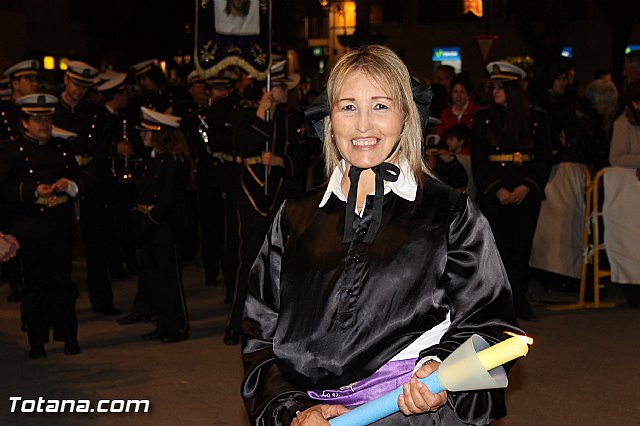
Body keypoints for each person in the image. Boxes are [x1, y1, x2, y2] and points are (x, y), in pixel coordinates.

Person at [241, 45, 523, 425]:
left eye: (380, 106)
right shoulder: (295, 216)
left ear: (406, 115)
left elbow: (489, 322)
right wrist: (293, 408)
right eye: (348, 107)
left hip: (411, 415)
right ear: (329, 118)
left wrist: (440, 369)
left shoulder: (450, 212)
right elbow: (259, 334)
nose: (362, 126)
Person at [223, 61, 306, 345]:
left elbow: (302, 157)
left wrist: (282, 161)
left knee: (279, 263)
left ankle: (275, 324)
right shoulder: (246, 111)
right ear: (269, 88)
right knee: (247, 261)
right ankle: (236, 322)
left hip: (280, 196)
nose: (286, 90)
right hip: (250, 197)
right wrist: (261, 110)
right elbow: (243, 143)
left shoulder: (291, 118)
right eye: (281, 86)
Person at [0, 94, 83, 358]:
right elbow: (4, 188)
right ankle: (37, 341)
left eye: (47, 118)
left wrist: (69, 186)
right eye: (37, 119)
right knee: (34, 286)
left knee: (62, 283)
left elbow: (81, 180)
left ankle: (69, 336)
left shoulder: (62, 148)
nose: (43, 124)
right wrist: (33, 191)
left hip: (59, 225)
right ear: (24, 123)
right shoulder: (12, 151)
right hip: (30, 227)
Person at [471, 61, 552, 320]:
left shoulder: (537, 118)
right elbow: (479, 160)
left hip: (526, 192)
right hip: (496, 192)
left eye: (501, 87)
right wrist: (496, 190)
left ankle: (519, 299)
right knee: (497, 248)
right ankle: (498, 304)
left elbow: (543, 158)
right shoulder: (483, 118)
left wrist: (528, 187)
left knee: (521, 247)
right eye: (493, 86)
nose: (495, 91)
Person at [54, 60, 120, 316]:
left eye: (84, 86)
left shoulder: (96, 114)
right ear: (66, 81)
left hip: (89, 184)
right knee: (60, 249)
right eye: (75, 84)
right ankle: (60, 302)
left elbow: (102, 153)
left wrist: (85, 180)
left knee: (96, 247)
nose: (78, 91)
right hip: (59, 185)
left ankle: (102, 300)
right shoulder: (51, 110)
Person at [131, 107, 192, 343]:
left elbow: (170, 196)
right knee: (156, 279)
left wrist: (151, 217)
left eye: (146, 132)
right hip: (151, 229)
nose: (141, 136)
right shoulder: (151, 158)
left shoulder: (172, 160)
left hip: (167, 228)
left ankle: (177, 326)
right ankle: (162, 323)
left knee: (170, 281)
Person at [436, 73, 479, 138]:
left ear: (468, 95)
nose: (458, 96)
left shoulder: (476, 111)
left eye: (462, 92)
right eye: (455, 92)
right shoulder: (445, 113)